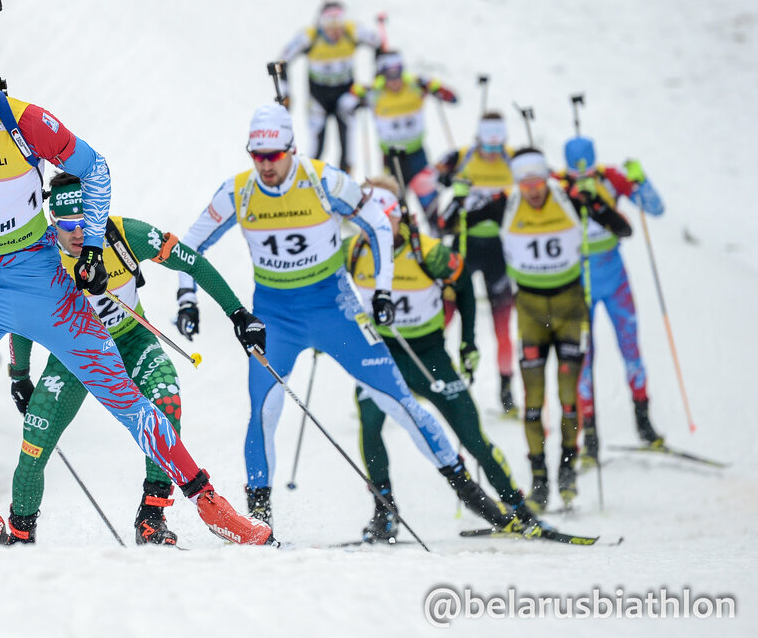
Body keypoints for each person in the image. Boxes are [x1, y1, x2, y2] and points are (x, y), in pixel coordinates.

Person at [0, 21, 271, 547]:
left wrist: (91, 247)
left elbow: (95, 170)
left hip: (39, 281)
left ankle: (210, 504)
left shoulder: (23, 121)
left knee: (125, 398)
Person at [178, 103, 524, 534]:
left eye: (274, 155)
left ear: (292, 149)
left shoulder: (323, 179)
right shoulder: (238, 191)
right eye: (257, 156)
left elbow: (378, 223)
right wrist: (186, 296)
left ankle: (475, 497)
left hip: (335, 310)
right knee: (264, 412)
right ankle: (259, 522)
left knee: (399, 402)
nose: (265, 165)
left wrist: (382, 290)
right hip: (276, 318)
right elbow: (188, 244)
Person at [7, 173, 262, 546]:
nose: (78, 234)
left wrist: (237, 313)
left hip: (131, 340)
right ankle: (19, 536)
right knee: (35, 442)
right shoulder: (38, 256)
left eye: (86, 223)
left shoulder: (124, 234)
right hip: (74, 357)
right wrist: (19, 375)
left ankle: (151, 518)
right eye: (67, 226)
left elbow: (191, 262)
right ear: (52, 220)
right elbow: (20, 319)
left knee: (166, 401)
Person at [345, 178, 535, 541]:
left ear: (399, 216)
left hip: (429, 354)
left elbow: (464, 289)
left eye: (384, 220)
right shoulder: (352, 250)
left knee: (471, 435)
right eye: (368, 221)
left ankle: (518, 508)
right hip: (382, 355)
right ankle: (384, 513)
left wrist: (468, 343)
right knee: (369, 424)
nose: (376, 229)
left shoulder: (430, 253)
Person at [443, 148, 632, 511]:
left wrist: (594, 201)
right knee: (533, 402)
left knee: (568, 398)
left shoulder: (570, 200)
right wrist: (459, 199)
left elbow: (623, 229)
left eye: (537, 182)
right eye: (524, 183)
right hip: (531, 311)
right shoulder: (506, 204)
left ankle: (568, 470)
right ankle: (540, 480)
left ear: (546, 179)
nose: (531, 190)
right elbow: (450, 225)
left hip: (569, 308)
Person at [562, 137, 666, 459]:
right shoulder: (559, 186)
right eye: (576, 173)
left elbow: (656, 208)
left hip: (614, 278)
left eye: (588, 172)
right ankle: (589, 434)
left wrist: (641, 180)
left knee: (631, 347)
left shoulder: (611, 178)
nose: (583, 178)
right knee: (583, 356)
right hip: (578, 283)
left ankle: (643, 421)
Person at [436, 112, 519, 413]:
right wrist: (447, 180)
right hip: (465, 245)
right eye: (488, 146)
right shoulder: (463, 156)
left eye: (498, 146)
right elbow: (433, 177)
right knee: (444, 314)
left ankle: (506, 390)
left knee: (503, 327)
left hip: (499, 249)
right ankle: (426, 372)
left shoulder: (513, 160)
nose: (493, 153)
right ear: (478, 140)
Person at [350, 51, 457, 227]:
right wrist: (357, 92)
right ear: (382, 75)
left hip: (417, 155)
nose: (394, 81)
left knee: (431, 209)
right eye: (389, 76)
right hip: (392, 159)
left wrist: (434, 85)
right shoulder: (375, 93)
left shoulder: (415, 87)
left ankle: (435, 236)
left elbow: (452, 98)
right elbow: (346, 105)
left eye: (398, 74)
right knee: (395, 211)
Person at [275, 0, 381, 173]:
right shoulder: (309, 36)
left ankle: (346, 181)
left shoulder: (353, 31)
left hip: (345, 95)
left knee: (348, 147)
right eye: (330, 28)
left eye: (339, 27)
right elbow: (282, 60)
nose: (335, 32)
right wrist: (285, 93)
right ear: (322, 25)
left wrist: (375, 85)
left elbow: (381, 47)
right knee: (316, 147)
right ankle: (308, 179)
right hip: (318, 98)